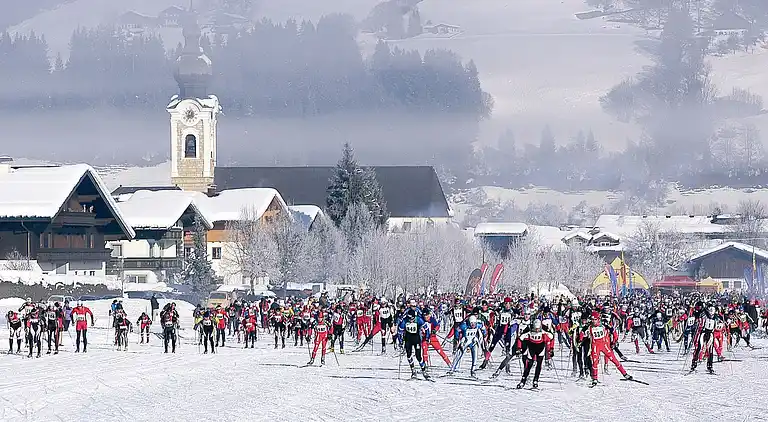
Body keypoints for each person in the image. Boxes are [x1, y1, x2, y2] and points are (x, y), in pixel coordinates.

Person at [397, 308, 431, 380]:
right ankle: (413, 371)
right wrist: (400, 341)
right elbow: (399, 331)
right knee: (409, 355)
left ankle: (424, 370)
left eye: (412, 318)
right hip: (408, 340)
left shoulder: (418, 319)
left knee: (418, 356)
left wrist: (427, 337)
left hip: (416, 339)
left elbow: (426, 328)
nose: (411, 320)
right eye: (409, 318)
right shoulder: (405, 320)